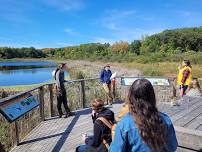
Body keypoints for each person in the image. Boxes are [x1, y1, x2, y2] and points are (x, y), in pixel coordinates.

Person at [110, 79, 178, 152]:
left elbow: (115, 150)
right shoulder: (165, 120)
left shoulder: (124, 124)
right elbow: (172, 147)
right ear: (152, 97)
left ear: (131, 97)